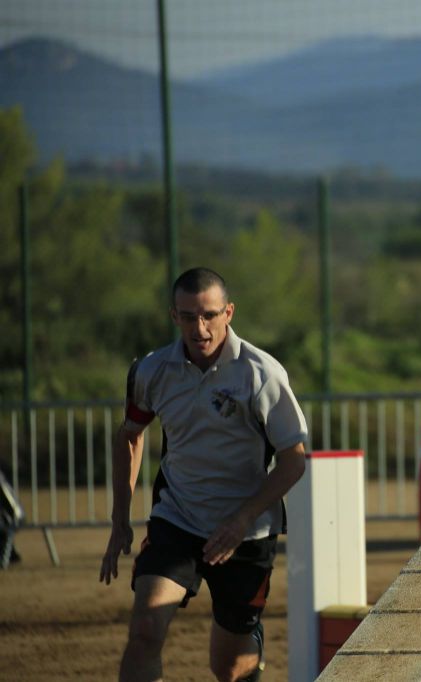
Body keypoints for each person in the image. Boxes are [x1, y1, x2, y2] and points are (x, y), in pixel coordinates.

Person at [100, 267, 307, 682]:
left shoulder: (261, 373)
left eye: (209, 314)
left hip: (246, 534)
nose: (200, 327)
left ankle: (249, 640)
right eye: (189, 316)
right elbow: (129, 438)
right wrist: (119, 518)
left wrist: (243, 517)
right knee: (143, 632)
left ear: (228, 313)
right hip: (177, 519)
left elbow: (293, 460)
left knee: (230, 669)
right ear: (174, 316)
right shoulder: (152, 371)